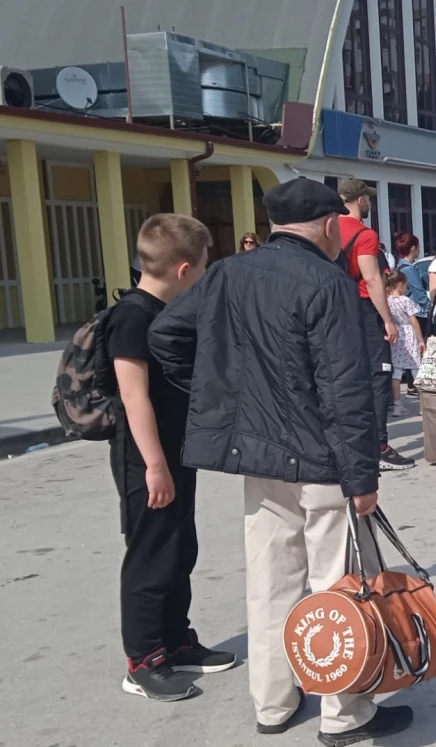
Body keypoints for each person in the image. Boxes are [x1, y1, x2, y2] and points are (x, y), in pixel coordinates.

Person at [148, 179, 414, 744]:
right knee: (338, 586)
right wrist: (362, 477)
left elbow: (166, 333)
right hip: (323, 460)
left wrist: (219, 396)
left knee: (271, 582)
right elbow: (345, 390)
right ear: (327, 225)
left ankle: (273, 703)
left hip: (258, 456)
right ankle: (346, 712)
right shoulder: (327, 282)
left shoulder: (225, 273)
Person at [108, 214, 231, 703]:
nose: (203, 276)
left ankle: (176, 641)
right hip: (146, 459)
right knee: (150, 558)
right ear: (184, 270)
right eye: (203, 267)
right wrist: (155, 465)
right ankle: (143, 660)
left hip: (175, 453)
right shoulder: (133, 315)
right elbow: (134, 398)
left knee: (181, 548)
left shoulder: (168, 310)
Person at [336, 179, 413, 471]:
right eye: (368, 198)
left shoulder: (327, 230)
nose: (370, 203)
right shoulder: (364, 234)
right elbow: (372, 279)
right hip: (365, 312)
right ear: (359, 200)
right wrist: (388, 320)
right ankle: (379, 446)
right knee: (379, 377)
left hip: (335, 311)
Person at [386, 270, 426, 417]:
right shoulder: (406, 301)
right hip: (409, 334)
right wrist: (421, 339)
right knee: (417, 370)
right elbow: (414, 321)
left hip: (396, 334)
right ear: (400, 285)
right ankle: (423, 406)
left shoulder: (387, 301)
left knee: (396, 371)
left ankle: (397, 404)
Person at [393, 233, 433, 337]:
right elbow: (419, 294)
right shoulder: (410, 269)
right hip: (417, 314)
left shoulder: (399, 267)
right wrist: (430, 308)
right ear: (413, 248)